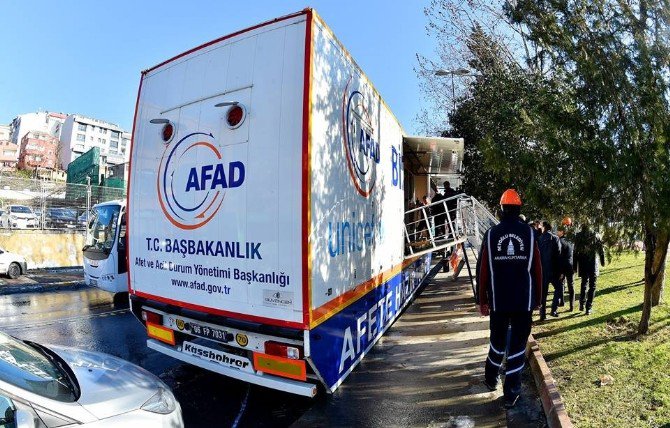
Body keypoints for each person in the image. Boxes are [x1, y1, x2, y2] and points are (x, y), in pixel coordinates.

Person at [475, 189, 543, 409]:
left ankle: (491, 379)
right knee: (516, 347)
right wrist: (538, 297)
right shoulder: (530, 234)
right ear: (519, 208)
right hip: (523, 302)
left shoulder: (492, 234)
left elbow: (483, 270)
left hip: (499, 301)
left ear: (501, 209)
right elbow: (537, 270)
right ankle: (511, 393)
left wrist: (481, 299)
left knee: (497, 341)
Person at [574, 224, 606, 315]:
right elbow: (601, 249)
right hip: (592, 263)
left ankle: (582, 304)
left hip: (583, 263)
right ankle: (588, 307)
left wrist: (574, 266)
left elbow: (575, 251)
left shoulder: (578, 235)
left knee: (584, 283)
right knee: (592, 286)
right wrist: (602, 261)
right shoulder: (596, 235)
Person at [538, 221, 561, 319]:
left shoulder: (539, 239)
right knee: (559, 289)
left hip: (543, 270)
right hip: (553, 269)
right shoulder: (555, 238)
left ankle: (542, 314)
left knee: (543, 293)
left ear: (544, 227)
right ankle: (553, 309)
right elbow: (559, 255)